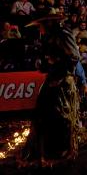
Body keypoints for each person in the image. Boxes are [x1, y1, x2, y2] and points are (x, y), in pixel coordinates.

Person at [18, 9, 80, 168]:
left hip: (62, 82)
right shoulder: (48, 37)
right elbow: (48, 60)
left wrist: (59, 69)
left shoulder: (63, 34)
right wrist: (44, 63)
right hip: (53, 79)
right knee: (43, 116)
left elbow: (74, 57)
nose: (40, 28)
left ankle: (61, 152)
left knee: (60, 117)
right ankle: (43, 153)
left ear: (48, 23)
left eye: (41, 25)